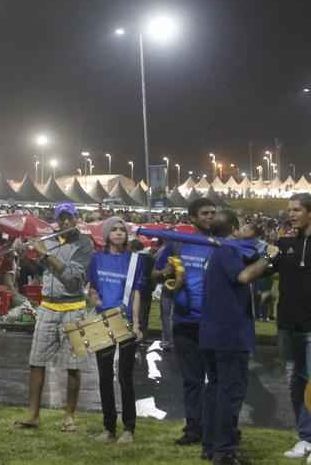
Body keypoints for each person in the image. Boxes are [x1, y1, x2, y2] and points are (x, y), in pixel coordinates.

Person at [199, 209, 275, 465]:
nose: (245, 228)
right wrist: (267, 257)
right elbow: (243, 276)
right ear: (233, 228)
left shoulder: (217, 252)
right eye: (241, 224)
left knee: (215, 390)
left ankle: (210, 445)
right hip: (229, 334)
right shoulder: (229, 250)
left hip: (212, 333)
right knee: (230, 393)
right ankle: (224, 451)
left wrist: (262, 264)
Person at [12, 201, 93, 432]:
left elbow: (73, 278)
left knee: (73, 365)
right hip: (48, 307)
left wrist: (44, 253)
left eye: (69, 218)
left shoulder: (84, 244)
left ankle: (69, 416)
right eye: (61, 218)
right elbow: (39, 272)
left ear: (76, 218)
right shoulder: (48, 241)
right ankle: (33, 415)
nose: (65, 222)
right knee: (36, 362)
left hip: (74, 307)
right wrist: (24, 256)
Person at [154, 196, 219, 447]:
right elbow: (155, 275)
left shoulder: (220, 244)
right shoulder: (177, 244)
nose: (210, 217)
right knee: (192, 380)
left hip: (214, 322)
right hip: (184, 321)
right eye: (205, 213)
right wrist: (164, 274)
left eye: (213, 213)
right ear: (193, 218)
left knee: (215, 380)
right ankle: (193, 428)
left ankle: (214, 428)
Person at [86, 216, 145, 443]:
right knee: (103, 375)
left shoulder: (134, 260)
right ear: (107, 234)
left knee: (125, 376)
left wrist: (137, 323)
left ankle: (129, 429)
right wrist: (96, 301)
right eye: (114, 229)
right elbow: (92, 290)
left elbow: (136, 293)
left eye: (122, 229)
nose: (119, 233)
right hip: (103, 321)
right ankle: (109, 428)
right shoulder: (96, 259)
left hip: (126, 321)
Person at [275, 193, 311, 460]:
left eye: (297, 210)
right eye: (289, 210)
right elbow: (261, 268)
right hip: (288, 325)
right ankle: (305, 437)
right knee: (295, 383)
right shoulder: (284, 243)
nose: (291, 214)